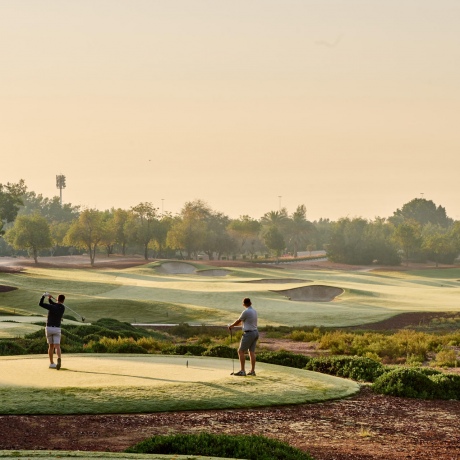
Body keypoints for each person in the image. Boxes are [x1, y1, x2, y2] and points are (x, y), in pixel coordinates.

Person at [228, 297, 259, 376]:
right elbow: (242, 322)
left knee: (240, 351)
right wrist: (233, 326)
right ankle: (252, 371)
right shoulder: (254, 311)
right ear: (251, 303)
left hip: (249, 333)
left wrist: (231, 326)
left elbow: (238, 321)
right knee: (251, 352)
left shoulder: (246, 312)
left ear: (244, 304)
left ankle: (242, 371)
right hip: (255, 332)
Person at [39, 292, 66, 370]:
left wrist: (43, 296)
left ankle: (51, 363)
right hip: (57, 329)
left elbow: (41, 304)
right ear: (63, 301)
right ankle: (59, 358)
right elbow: (56, 305)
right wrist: (50, 299)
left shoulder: (52, 307)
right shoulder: (62, 308)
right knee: (57, 346)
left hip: (49, 328)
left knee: (51, 346)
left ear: (57, 299)